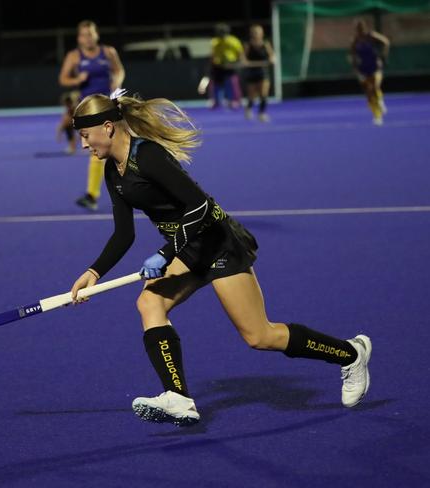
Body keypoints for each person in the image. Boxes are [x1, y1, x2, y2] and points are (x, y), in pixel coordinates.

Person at [69, 90, 372, 426]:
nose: (84, 145)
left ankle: (352, 353)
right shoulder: (114, 172)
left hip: (218, 243)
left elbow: (200, 206)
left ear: (107, 127)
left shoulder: (149, 156)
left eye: (85, 136)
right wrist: (94, 272)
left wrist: (165, 253)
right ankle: (178, 397)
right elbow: (124, 233)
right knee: (149, 302)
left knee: (259, 336)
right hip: (188, 248)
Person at [59, 20, 125, 211]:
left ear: (96, 35)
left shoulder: (108, 52)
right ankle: (94, 195)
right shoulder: (74, 56)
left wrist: (117, 82)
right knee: (100, 150)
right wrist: (77, 79)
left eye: (90, 34)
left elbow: (119, 70)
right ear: (79, 38)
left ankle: (95, 195)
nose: (87, 38)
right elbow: (63, 78)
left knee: (112, 149)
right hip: (87, 110)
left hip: (108, 106)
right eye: (83, 35)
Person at [348, 19, 390, 126]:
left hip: (375, 66)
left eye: (361, 27)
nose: (359, 29)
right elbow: (352, 57)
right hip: (364, 69)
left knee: (375, 86)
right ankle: (377, 116)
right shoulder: (355, 41)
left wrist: (383, 57)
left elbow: (386, 42)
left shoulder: (371, 36)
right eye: (357, 28)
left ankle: (380, 102)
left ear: (364, 27)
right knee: (369, 93)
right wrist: (356, 71)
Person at [207, 23, 245, 109]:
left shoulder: (234, 41)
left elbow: (240, 54)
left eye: (223, 32)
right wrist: (211, 65)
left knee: (232, 84)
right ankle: (216, 101)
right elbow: (212, 55)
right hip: (218, 66)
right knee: (216, 84)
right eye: (220, 32)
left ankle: (235, 101)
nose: (221, 34)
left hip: (231, 66)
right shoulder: (215, 42)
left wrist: (237, 64)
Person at [243, 24, 276, 122]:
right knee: (252, 95)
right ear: (251, 34)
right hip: (251, 72)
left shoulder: (265, 44)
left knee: (263, 93)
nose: (256, 34)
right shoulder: (248, 45)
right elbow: (243, 59)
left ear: (262, 33)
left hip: (263, 71)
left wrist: (271, 60)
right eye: (254, 32)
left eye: (258, 32)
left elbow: (272, 56)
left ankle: (261, 113)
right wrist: (247, 63)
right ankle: (248, 109)